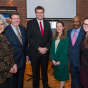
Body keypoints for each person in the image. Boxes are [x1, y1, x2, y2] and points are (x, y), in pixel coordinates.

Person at [27, 6, 52, 88]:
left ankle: (45, 85)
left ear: (43, 13)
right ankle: (35, 86)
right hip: (34, 52)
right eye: (38, 12)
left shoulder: (47, 24)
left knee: (45, 71)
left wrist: (46, 48)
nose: (40, 14)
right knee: (35, 72)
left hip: (45, 52)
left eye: (41, 12)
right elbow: (29, 38)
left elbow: (50, 37)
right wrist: (38, 48)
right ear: (35, 13)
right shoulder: (30, 23)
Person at [4, 12, 29, 88]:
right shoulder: (5, 31)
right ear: (10, 19)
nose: (16, 20)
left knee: (20, 80)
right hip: (13, 60)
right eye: (14, 18)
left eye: (18, 18)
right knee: (13, 81)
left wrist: (27, 55)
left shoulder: (22, 28)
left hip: (22, 58)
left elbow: (24, 44)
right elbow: (5, 48)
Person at [67, 16, 85, 88]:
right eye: (74, 21)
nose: (75, 23)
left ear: (80, 22)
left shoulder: (84, 32)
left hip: (81, 62)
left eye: (77, 21)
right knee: (73, 80)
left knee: (81, 81)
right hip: (71, 62)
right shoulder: (68, 32)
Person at [50, 21, 69, 88]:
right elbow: (51, 49)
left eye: (60, 26)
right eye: (57, 26)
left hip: (62, 61)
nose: (59, 28)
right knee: (58, 76)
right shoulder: (54, 37)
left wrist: (59, 61)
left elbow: (65, 51)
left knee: (62, 77)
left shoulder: (66, 38)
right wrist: (52, 59)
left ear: (63, 27)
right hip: (55, 60)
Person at [0, 14, 17, 88]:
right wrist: (9, 69)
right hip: (2, 76)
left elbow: (10, 52)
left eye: (1, 24)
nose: (0, 26)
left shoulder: (3, 36)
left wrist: (14, 64)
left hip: (9, 74)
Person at [80, 17, 88, 88]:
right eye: (84, 24)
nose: (86, 26)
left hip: (87, 66)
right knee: (83, 83)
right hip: (83, 64)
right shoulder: (84, 35)